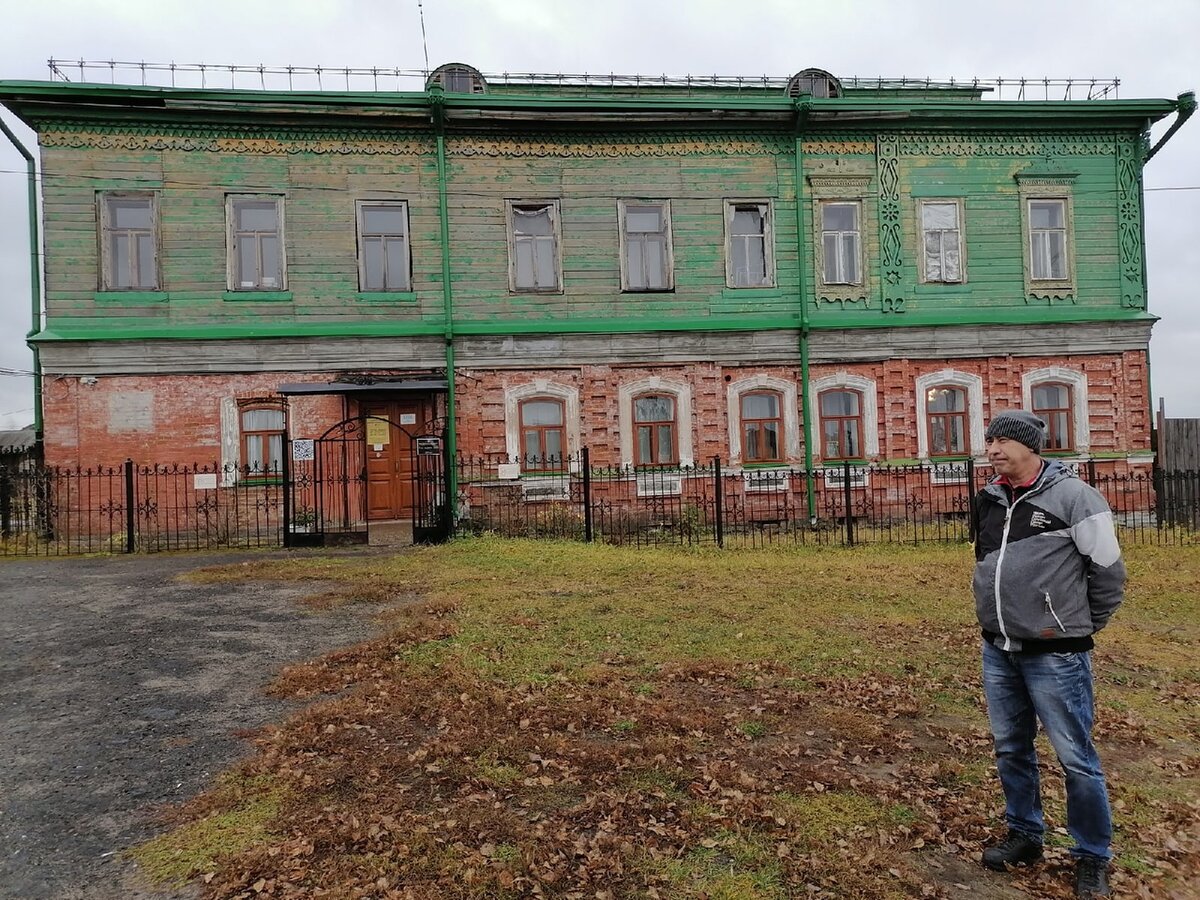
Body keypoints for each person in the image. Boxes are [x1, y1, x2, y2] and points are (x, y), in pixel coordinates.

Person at [971, 409, 1126, 899]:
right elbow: (988, 563)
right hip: (999, 648)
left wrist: (1074, 627)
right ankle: (1024, 835)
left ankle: (1092, 857)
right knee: (1011, 747)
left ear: (1029, 446)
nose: (992, 449)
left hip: (1056, 653)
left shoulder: (1076, 497)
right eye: (989, 440)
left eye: (1001, 441)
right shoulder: (988, 498)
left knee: (1075, 757)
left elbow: (1108, 574)